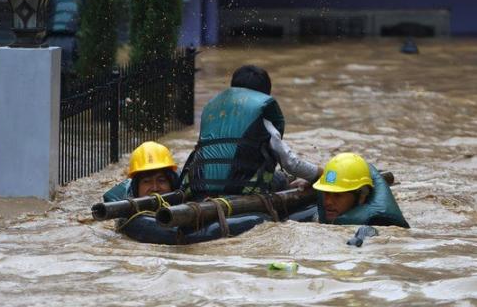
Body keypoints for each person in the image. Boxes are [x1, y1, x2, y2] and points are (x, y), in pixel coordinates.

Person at [180, 65, 322, 199]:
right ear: (264, 96)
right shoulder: (263, 122)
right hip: (239, 191)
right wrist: (319, 174)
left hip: (197, 187)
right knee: (279, 178)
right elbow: (291, 163)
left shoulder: (213, 117)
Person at [313, 152, 409, 228]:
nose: (327, 202)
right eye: (326, 193)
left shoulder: (376, 227)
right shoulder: (319, 216)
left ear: (362, 196)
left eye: (338, 195)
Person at [102, 141, 178, 202]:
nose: (155, 188)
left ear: (172, 183)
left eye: (161, 180)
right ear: (136, 187)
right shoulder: (121, 202)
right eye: (147, 181)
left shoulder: (183, 192)